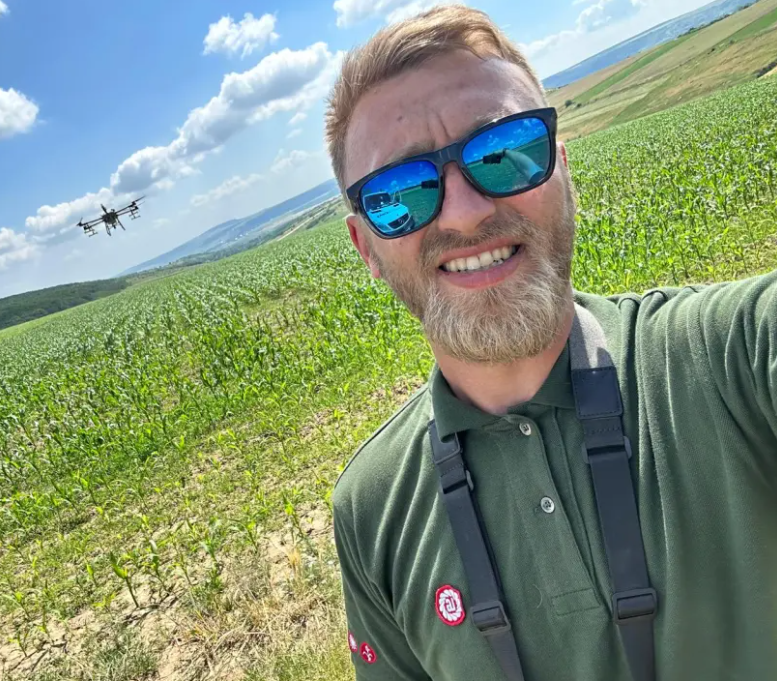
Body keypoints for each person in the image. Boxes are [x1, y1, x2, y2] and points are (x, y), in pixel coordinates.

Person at [324, 6, 777, 681]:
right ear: (366, 247)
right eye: (399, 192)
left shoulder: (731, 357)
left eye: (503, 150)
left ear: (561, 168)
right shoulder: (372, 508)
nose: (465, 212)